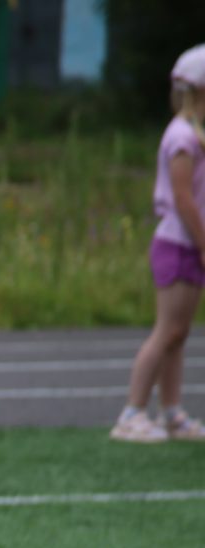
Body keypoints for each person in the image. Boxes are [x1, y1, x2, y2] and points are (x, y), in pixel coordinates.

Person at [113, 44, 205, 444]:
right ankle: (132, 412)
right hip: (179, 243)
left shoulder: (193, 133)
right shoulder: (183, 137)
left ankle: (171, 412)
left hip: (187, 243)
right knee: (167, 331)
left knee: (179, 333)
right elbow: (184, 198)